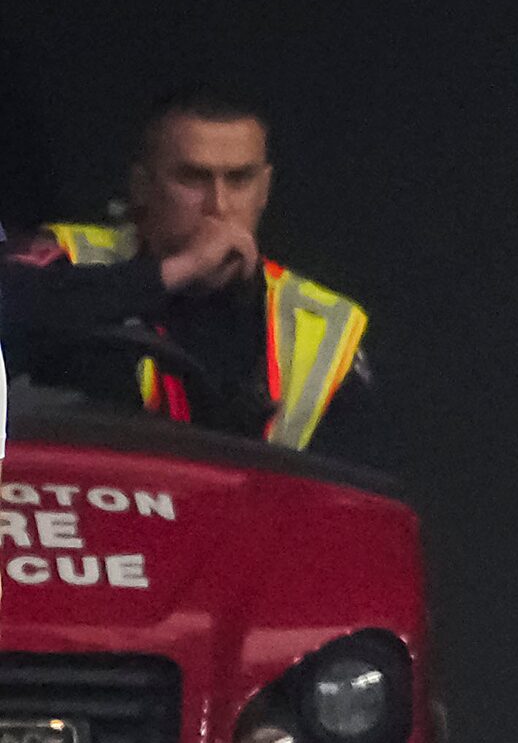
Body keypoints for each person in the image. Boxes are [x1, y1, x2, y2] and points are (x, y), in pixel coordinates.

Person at [2, 88, 380, 462]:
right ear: (142, 187)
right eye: (193, 179)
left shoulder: (325, 326)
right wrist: (175, 271)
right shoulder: (72, 257)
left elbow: (359, 500)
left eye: (239, 179)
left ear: (264, 189)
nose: (219, 205)